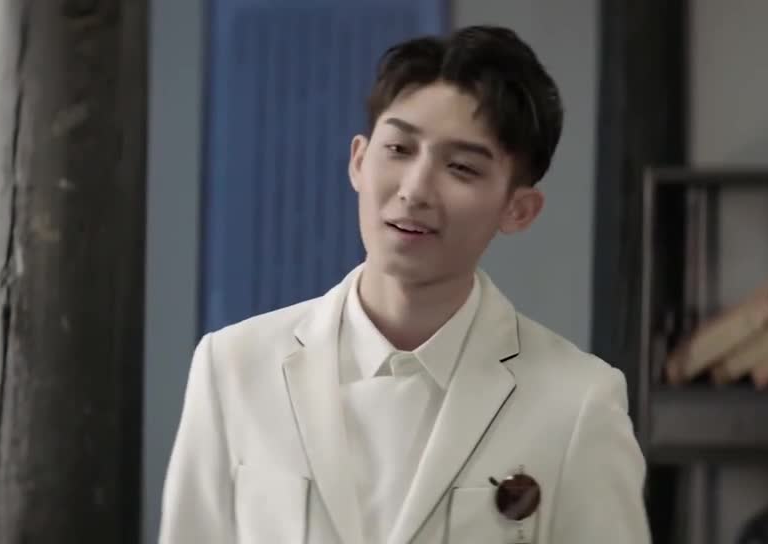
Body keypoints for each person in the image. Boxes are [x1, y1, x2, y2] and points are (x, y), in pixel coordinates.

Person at [159, 25, 650, 544]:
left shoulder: (577, 401)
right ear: (358, 161)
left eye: (461, 167)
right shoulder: (234, 368)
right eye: (398, 148)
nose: (415, 190)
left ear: (518, 209)